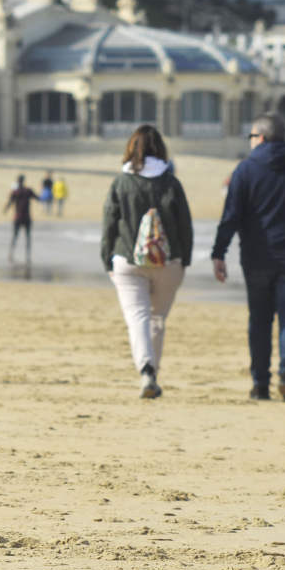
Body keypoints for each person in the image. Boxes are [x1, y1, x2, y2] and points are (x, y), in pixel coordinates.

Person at [211, 113, 285, 403]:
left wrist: (219, 253)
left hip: (256, 257)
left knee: (260, 320)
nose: (251, 142)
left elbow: (231, 216)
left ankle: (260, 384)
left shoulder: (245, 170)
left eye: (251, 137)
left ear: (261, 138)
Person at [100, 126, 194, 400]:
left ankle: (146, 371)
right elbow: (185, 225)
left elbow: (109, 224)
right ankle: (153, 372)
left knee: (137, 318)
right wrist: (184, 259)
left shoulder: (121, 182)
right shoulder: (171, 182)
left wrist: (107, 259)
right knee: (157, 319)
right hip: (168, 261)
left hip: (127, 259)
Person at [3, 175, 39, 264]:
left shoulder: (15, 192)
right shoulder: (28, 191)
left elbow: (10, 202)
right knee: (27, 237)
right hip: (26, 218)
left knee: (15, 236)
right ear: (24, 181)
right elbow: (38, 198)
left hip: (18, 217)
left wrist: (6, 209)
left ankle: (11, 254)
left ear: (17, 181)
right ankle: (28, 256)